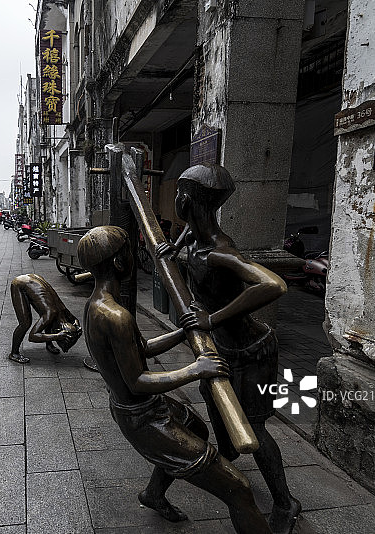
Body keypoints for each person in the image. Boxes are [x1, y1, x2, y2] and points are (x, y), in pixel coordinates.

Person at [78, 226, 272, 534]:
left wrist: (182, 331)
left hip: (140, 406)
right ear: (118, 262)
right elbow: (137, 381)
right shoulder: (116, 316)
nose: (133, 257)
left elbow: (142, 349)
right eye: (129, 252)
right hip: (141, 417)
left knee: (196, 428)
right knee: (239, 489)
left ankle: (153, 494)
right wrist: (196, 369)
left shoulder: (97, 304)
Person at [156, 164, 301, 534]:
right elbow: (193, 230)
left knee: (254, 429)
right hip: (218, 348)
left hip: (251, 350)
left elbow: (273, 285)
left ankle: (285, 503)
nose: (176, 199)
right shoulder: (195, 237)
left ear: (189, 202)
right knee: (219, 414)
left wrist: (212, 318)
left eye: (181, 193)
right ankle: (229, 460)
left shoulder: (221, 252)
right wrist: (176, 245)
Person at [9, 273, 82, 364]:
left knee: (51, 320)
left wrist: (77, 326)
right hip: (20, 284)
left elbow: (75, 320)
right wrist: (57, 336)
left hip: (33, 279)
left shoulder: (63, 311)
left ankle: (49, 345)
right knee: (25, 323)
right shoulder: (50, 314)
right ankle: (14, 353)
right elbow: (32, 336)